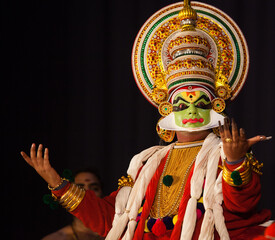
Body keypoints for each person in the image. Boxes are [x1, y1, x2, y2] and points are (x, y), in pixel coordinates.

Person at [21, 1, 272, 239]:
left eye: (201, 103)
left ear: (216, 106)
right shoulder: (146, 163)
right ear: (168, 109)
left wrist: (236, 162)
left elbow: (241, 207)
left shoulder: (223, 154)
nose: (192, 111)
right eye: (182, 104)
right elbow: (111, 218)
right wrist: (57, 182)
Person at [42, 168, 105, 240]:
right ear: (67, 197)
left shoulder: (116, 233)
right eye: (79, 189)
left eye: (94, 188)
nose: (87, 193)